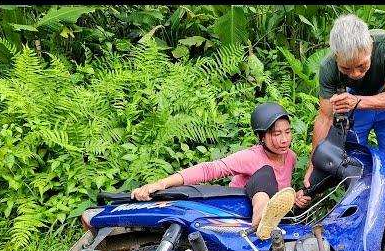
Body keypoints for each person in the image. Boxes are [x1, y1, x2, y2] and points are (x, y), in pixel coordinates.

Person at [131, 102, 310, 240]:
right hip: (235, 213)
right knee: (266, 173)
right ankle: (261, 217)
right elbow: (210, 169)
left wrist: (294, 200)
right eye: (276, 134)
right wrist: (161, 183)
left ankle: (265, 219)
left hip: (266, 220)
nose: (284, 139)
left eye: (287, 132)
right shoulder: (251, 156)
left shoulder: (290, 157)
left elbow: (277, 191)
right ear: (260, 136)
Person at [303, 14, 385, 187]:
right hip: (356, 95)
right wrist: (314, 164)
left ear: (370, 47)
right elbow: (324, 118)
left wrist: (357, 101)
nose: (355, 74)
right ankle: (360, 202)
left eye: (361, 65)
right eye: (346, 68)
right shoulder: (328, 67)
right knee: (352, 157)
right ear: (336, 57)